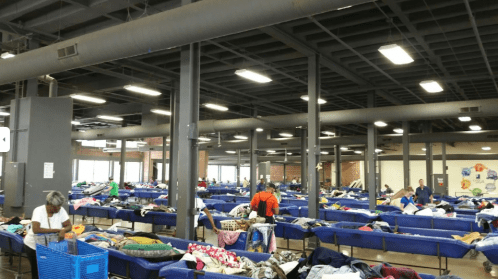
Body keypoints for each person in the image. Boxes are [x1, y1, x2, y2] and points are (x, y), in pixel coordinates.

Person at [24, 191, 72, 279]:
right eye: (57, 206)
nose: (59, 208)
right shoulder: (39, 211)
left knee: (51, 270)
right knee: (37, 271)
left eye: (60, 206)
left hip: (51, 246)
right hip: (34, 246)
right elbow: (36, 229)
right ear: (50, 205)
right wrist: (58, 230)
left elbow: (69, 226)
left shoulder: (61, 211)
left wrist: (64, 230)